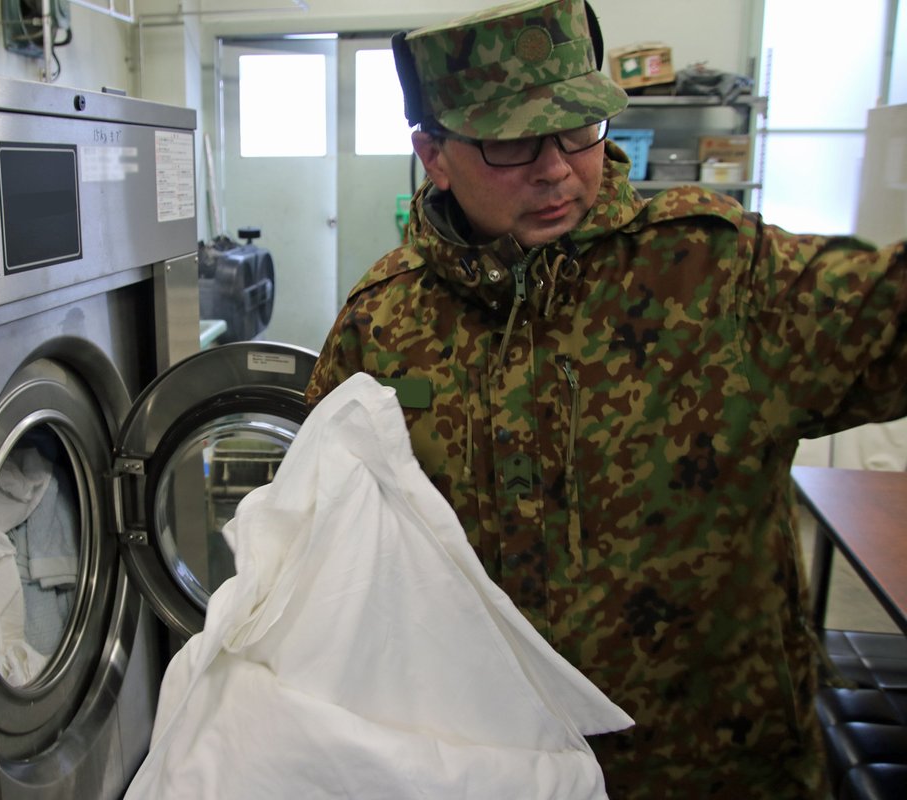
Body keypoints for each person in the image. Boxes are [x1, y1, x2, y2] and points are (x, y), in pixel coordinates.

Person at [304, 0, 907, 797]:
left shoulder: (716, 275)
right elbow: (329, 550)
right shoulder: (383, 324)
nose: (556, 168)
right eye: (513, 142)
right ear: (434, 155)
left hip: (707, 769)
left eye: (579, 128)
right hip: (485, 765)